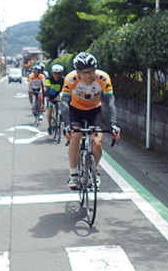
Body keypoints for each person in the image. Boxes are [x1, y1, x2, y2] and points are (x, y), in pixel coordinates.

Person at [61, 52, 121, 190]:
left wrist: (113, 124)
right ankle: (74, 174)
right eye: (84, 72)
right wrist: (66, 125)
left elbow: (110, 102)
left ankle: (95, 171)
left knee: (97, 142)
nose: (88, 76)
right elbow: (64, 102)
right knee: (75, 136)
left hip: (94, 111)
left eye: (91, 71)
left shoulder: (103, 78)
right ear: (77, 72)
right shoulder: (70, 79)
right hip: (75, 111)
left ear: (95, 69)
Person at [45, 64, 65, 133]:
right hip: (50, 97)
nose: (57, 75)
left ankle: (61, 117)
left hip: (58, 96)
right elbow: (47, 88)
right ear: (52, 73)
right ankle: (49, 125)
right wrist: (47, 96)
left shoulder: (62, 80)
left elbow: (65, 89)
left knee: (62, 105)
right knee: (49, 111)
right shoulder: (48, 79)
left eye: (59, 73)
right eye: (55, 73)